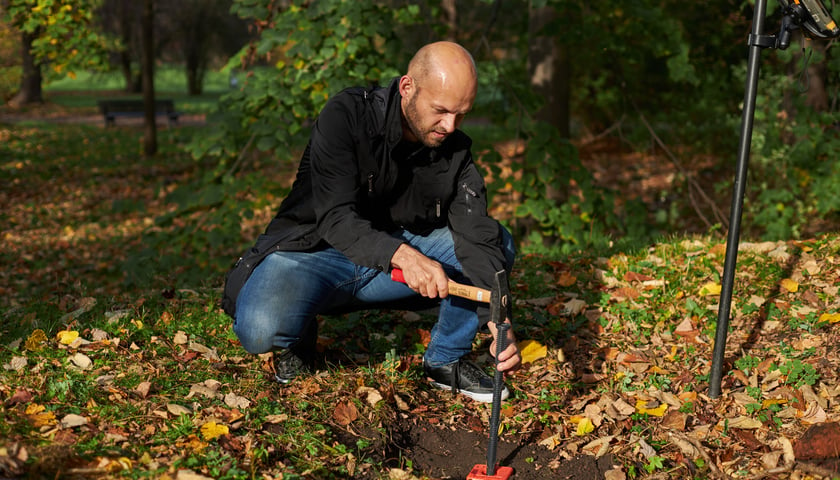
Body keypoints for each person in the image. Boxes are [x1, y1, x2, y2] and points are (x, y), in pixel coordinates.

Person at [225, 41, 521, 403]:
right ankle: (298, 334)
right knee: (259, 329)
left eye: (462, 114)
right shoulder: (346, 115)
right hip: (315, 254)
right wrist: (405, 256)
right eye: (441, 110)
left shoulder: (455, 149)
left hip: (387, 271)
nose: (450, 125)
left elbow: (476, 234)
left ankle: (446, 359)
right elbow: (334, 216)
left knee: (498, 244)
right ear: (407, 87)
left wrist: (498, 314)